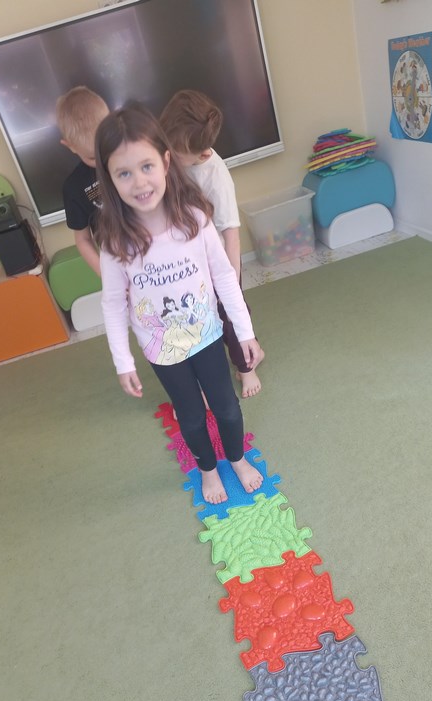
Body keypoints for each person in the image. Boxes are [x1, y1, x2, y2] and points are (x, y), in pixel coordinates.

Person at [94, 103, 264, 504]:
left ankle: (237, 459)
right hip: (163, 350)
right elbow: (113, 304)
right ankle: (208, 470)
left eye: (147, 166)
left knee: (226, 407)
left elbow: (224, 276)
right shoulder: (115, 243)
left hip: (207, 336)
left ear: (166, 162)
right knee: (190, 416)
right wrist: (123, 361)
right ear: (110, 179)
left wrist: (244, 332)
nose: (139, 182)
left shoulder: (194, 218)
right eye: (124, 173)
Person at [160, 89, 264, 398]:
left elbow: (231, 234)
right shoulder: (166, 155)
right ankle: (207, 372)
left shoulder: (215, 174)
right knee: (196, 317)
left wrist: (230, 283)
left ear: (202, 154)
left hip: (218, 258)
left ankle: (247, 367)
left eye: (177, 154)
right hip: (186, 259)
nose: (169, 158)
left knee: (229, 316)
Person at [56, 86, 110, 276]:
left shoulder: (134, 157)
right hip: (117, 262)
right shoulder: (73, 187)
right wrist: (104, 273)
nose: (102, 161)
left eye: (105, 150)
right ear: (70, 146)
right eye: (92, 158)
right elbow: (82, 239)